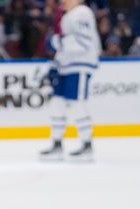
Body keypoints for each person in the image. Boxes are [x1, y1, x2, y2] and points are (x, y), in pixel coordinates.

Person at [39, 0, 100, 162]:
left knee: (77, 104)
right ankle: (57, 144)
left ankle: (87, 145)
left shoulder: (81, 12)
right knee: (57, 103)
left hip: (78, 66)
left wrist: (56, 42)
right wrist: (55, 64)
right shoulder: (69, 15)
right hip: (65, 67)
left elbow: (83, 42)